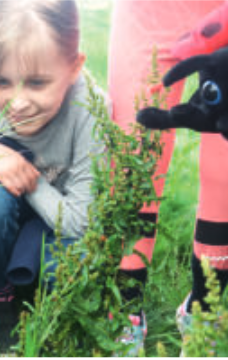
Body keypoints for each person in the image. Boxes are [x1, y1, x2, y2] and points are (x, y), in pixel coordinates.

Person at [0, 0, 104, 349]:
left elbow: (79, 222)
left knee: (58, 269)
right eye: (1, 81)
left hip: (58, 229)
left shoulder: (90, 109)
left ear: (74, 67)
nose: (17, 103)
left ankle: (39, 289)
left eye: (36, 82)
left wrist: (23, 174)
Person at [108, 0, 227, 355]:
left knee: (225, 172)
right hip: (150, 10)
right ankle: (126, 310)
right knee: (134, 152)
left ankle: (204, 309)